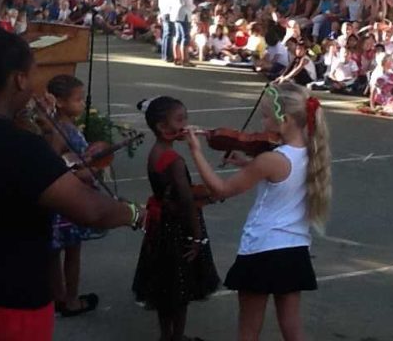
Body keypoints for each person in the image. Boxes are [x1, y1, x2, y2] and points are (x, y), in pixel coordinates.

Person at [0, 21, 143, 341]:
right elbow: (92, 211)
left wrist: (33, 121)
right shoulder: (21, 148)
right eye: (33, 74)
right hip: (7, 300)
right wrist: (135, 213)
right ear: (19, 79)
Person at [186, 82, 331, 341]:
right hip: (295, 249)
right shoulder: (313, 152)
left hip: (263, 248)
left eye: (266, 116)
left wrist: (196, 152)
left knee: (249, 331)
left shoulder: (270, 160)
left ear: (284, 120)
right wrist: (248, 164)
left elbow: (220, 189)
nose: (263, 122)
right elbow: (284, 179)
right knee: (292, 327)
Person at [132, 96, 220, 341]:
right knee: (180, 290)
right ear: (162, 126)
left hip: (161, 226)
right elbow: (186, 200)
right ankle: (177, 337)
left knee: (165, 287)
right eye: (180, 120)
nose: (186, 124)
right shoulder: (174, 161)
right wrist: (196, 235)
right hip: (178, 227)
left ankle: (165, 336)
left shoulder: (156, 153)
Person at [44, 75, 103, 318]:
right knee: (71, 252)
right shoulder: (60, 130)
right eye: (78, 99)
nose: (82, 104)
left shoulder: (62, 127)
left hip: (63, 198)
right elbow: (52, 163)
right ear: (59, 102)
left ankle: (58, 295)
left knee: (56, 251)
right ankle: (70, 299)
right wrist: (84, 172)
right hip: (69, 200)